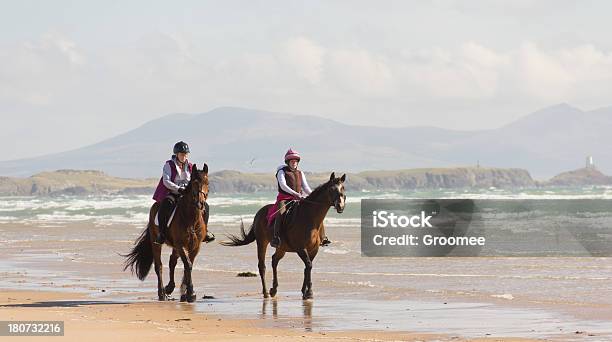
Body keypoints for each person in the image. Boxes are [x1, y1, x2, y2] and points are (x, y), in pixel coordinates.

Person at [152, 141, 215, 245]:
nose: (184, 156)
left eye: (186, 154)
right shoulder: (169, 165)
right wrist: (178, 189)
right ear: (177, 154)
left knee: (205, 206)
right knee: (165, 205)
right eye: (182, 154)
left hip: (186, 193)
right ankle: (162, 233)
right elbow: (166, 181)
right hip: (172, 192)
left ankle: (205, 232)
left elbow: (192, 181)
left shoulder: (190, 166)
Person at [271, 148, 331, 247]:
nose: (294, 163)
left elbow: (305, 187)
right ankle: (276, 238)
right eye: (292, 161)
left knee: (316, 213)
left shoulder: (300, 173)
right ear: (288, 162)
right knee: (280, 212)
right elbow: (283, 185)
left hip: (298, 198)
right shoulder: (281, 172)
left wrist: (313, 196)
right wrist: (295, 193)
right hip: (285, 199)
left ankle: (322, 237)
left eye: (295, 161)